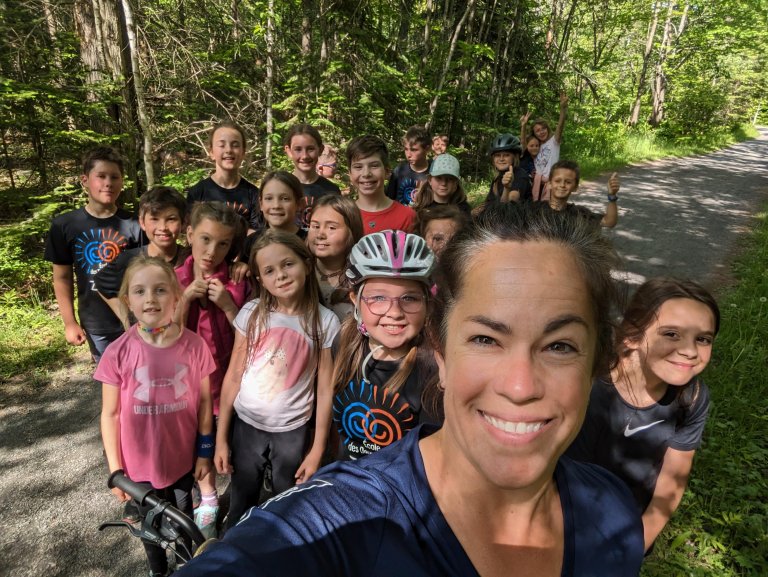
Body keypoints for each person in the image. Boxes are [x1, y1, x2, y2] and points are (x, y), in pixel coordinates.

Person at [176, 202, 644, 577]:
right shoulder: (342, 347)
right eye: (486, 339)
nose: (519, 386)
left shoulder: (613, 514)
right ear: (355, 300)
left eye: (559, 345)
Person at [567, 278, 719, 553]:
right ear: (632, 336)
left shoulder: (691, 396)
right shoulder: (585, 383)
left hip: (626, 527)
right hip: (562, 523)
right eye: (671, 334)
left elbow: (673, 479)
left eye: (703, 339)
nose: (690, 351)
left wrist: (638, 543)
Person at [96, 256, 215, 577]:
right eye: (140, 291)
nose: (150, 298)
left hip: (181, 461)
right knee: (150, 529)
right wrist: (115, 470)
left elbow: (206, 404)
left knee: (183, 521)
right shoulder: (117, 353)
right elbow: (110, 414)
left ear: (177, 298)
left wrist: (205, 453)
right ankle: (157, 571)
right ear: (127, 301)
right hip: (137, 471)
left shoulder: (195, 346)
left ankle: (188, 567)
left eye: (160, 290)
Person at [214, 230, 340, 530]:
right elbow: (233, 375)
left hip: (292, 431)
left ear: (306, 265)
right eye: (269, 271)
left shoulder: (326, 322)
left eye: (288, 264)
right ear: (260, 279)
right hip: (247, 427)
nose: (280, 275)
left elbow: (324, 390)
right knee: (242, 498)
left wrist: (317, 448)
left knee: (286, 502)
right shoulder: (251, 313)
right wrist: (221, 438)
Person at [331, 230, 441, 461]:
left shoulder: (433, 369)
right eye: (378, 298)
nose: (394, 313)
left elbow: (430, 456)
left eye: (409, 298)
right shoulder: (343, 343)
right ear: (355, 300)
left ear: (428, 304)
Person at [175, 201, 250, 536]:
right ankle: (207, 497)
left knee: (227, 444)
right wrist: (186, 299)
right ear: (189, 234)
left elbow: (249, 337)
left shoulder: (235, 281)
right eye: (205, 239)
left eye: (222, 244)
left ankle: (237, 499)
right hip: (186, 387)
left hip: (225, 384)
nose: (212, 250)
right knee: (196, 444)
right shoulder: (174, 279)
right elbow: (164, 336)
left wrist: (228, 304)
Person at [44, 146, 142, 362]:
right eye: (101, 176)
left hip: (135, 319)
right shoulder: (64, 225)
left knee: (140, 381)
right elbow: (62, 277)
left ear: (122, 181)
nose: (108, 182)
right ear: (85, 180)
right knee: (110, 384)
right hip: (97, 321)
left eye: (114, 177)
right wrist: (69, 322)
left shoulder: (135, 224)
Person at [95, 186, 189, 325]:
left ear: (183, 222)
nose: (163, 227)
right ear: (142, 223)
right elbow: (101, 283)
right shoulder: (129, 260)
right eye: (154, 219)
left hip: (187, 338)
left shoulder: (191, 257)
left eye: (171, 219)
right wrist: (127, 320)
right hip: (146, 341)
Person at [186, 121, 261, 234]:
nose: (228, 150)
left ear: (243, 152)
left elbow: (257, 235)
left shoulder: (254, 194)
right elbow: (192, 233)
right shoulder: (197, 193)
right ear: (211, 152)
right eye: (221, 145)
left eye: (235, 145)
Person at [306, 194, 364, 321]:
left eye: (331, 227)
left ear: (352, 231)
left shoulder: (364, 277)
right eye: (315, 226)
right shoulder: (298, 270)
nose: (320, 234)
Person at [349, 135, 416, 234]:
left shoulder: (407, 217)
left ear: (387, 171)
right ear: (350, 173)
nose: (366, 174)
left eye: (374, 166)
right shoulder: (343, 216)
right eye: (358, 167)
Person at [283, 124, 341, 229]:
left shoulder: (331, 190)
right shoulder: (282, 187)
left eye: (310, 149)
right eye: (298, 149)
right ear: (288, 151)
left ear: (320, 149)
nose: (304, 156)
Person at [241, 171, 307, 261]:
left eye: (285, 199)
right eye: (269, 198)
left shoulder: (308, 242)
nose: (276, 205)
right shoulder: (252, 242)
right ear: (261, 204)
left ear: (299, 204)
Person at [521, 92, 569, 199]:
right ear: (534, 133)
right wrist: (523, 126)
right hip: (536, 184)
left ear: (547, 128)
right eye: (538, 131)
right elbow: (524, 144)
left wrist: (563, 109)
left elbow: (560, 126)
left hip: (551, 185)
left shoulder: (554, 141)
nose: (541, 132)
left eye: (543, 128)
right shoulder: (536, 146)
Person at [548, 160, 621, 228]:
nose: (562, 185)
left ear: (575, 187)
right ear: (549, 184)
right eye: (557, 181)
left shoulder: (579, 214)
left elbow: (609, 222)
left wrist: (612, 195)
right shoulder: (537, 211)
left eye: (568, 182)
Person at [386, 125, 432, 205]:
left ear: (427, 149)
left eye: (414, 150)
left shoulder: (434, 172)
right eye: (406, 149)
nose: (408, 154)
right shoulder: (399, 170)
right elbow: (389, 198)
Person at [485, 133, 531, 204]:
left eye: (506, 155)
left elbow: (509, 205)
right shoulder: (497, 177)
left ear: (514, 157)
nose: (501, 159)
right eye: (497, 155)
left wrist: (506, 188)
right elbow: (488, 203)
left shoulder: (521, 176)